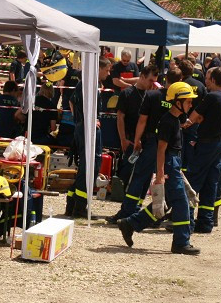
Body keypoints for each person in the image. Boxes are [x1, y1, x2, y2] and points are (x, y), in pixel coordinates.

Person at [118, 82, 200, 255]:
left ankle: (131, 223)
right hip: (169, 164)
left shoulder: (175, 120)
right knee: (181, 203)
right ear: (177, 101)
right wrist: (160, 175)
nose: (191, 104)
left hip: (173, 164)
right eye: (188, 101)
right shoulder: (167, 122)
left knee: (167, 202)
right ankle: (181, 242)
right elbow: (161, 150)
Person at [111, 67, 183, 223]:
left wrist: (137, 140)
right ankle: (154, 215)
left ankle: (128, 211)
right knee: (164, 179)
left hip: (151, 142)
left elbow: (142, 121)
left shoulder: (153, 96)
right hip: (170, 146)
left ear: (166, 80)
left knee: (139, 177)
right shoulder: (178, 101)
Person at [185, 67, 221, 233]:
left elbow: (194, 118)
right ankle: (206, 223)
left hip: (207, 144)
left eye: (208, 78)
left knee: (194, 180)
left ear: (213, 80)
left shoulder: (212, 97)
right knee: (211, 183)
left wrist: (182, 125)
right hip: (220, 144)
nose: (205, 81)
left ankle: (186, 220)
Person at [65, 57, 112, 218]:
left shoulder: (85, 83)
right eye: (106, 70)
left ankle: (71, 205)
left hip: (83, 127)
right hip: (88, 129)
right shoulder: (89, 84)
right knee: (90, 168)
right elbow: (73, 103)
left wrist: (79, 120)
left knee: (85, 169)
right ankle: (79, 208)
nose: (109, 73)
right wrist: (88, 121)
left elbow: (71, 102)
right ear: (98, 69)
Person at [115, 65, 157, 189]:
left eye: (155, 82)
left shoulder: (152, 96)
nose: (152, 84)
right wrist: (123, 139)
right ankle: (122, 192)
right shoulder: (127, 94)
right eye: (150, 81)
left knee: (144, 173)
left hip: (147, 140)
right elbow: (120, 117)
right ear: (142, 77)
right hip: (130, 139)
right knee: (128, 168)